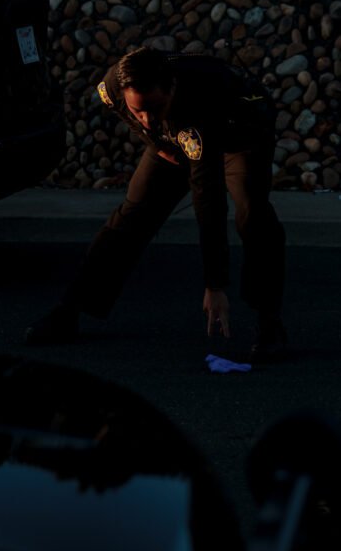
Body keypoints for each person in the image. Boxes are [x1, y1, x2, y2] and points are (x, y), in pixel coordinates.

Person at [26, 46, 288, 361]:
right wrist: (155, 141)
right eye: (139, 111)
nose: (146, 119)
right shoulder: (111, 90)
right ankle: (70, 311)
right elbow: (142, 120)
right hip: (176, 137)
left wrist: (214, 285)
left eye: (153, 107)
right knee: (131, 215)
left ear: (171, 88)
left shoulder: (197, 108)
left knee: (252, 215)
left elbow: (209, 204)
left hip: (240, 133)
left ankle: (269, 323)